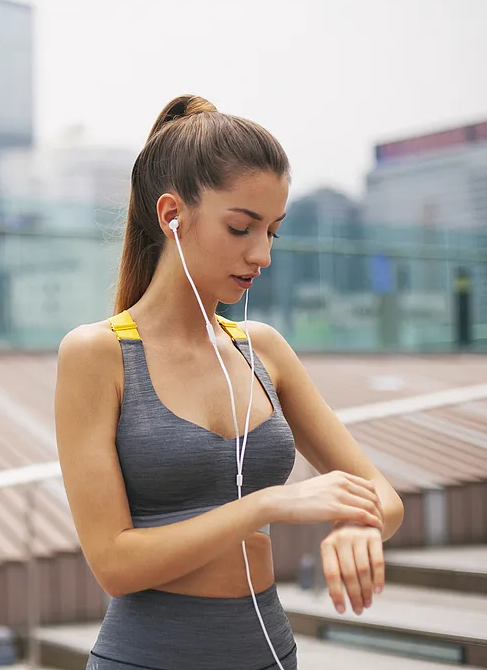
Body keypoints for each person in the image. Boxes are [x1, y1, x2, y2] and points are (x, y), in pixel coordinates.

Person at [54, 95, 404, 670]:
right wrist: (267, 503)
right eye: (242, 227)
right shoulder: (98, 355)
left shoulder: (262, 348)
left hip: (269, 654)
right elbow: (114, 563)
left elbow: (382, 496)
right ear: (173, 215)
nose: (262, 254)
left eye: (273, 231)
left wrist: (359, 524)